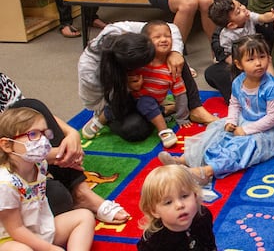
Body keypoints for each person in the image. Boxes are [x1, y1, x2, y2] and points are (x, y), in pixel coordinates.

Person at [0, 72, 131, 224]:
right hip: (7, 169)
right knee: (59, 198)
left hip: (20, 159)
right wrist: (51, 155)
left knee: (32, 105)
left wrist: (71, 133)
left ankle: (81, 193)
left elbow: (27, 117)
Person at [159, 35, 274, 185]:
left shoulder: (272, 88)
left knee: (240, 147)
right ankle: (184, 160)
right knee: (216, 135)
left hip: (267, 130)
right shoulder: (238, 81)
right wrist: (231, 120)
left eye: (262, 57)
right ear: (239, 64)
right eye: (251, 59)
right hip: (243, 121)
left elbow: (273, 118)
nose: (258, 63)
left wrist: (246, 130)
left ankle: (207, 171)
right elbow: (235, 104)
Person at [78, 21, 217, 142]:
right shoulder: (89, 71)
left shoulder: (122, 30)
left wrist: (175, 52)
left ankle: (194, 107)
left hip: (146, 98)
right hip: (118, 101)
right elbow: (94, 104)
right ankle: (161, 111)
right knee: (135, 129)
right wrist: (126, 87)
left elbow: (169, 28)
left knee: (173, 57)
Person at [0, 107, 95, 250]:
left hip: (41, 229)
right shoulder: (5, 183)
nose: (43, 140)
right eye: (33, 134)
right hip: (11, 240)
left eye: (44, 133)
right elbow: (16, 229)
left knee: (85, 217)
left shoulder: (39, 165)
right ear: (7, 145)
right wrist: (50, 248)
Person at [204, 0, 274, 103]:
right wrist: (244, 65)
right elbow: (230, 57)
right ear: (232, 24)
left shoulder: (248, 17)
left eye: (240, 5)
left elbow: (262, 17)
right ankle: (241, 97)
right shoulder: (227, 37)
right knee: (225, 74)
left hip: (256, 55)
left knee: (268, 62)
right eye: (238, 11)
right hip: (240, 62)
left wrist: (272, 16)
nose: (243, 8)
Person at [132, 20, 192, 148]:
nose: (164, 39)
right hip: (130, 101)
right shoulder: (141, 62)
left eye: (167, 36)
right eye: (157, 37)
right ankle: (98, 122)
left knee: (146, 102)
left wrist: (182, 117)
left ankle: (163, 130)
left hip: (151, 105)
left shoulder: (172, 68)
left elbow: (180, 94)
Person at [137, 164, 217, 250]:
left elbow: (210, 244)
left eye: (184, 196)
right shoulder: (153, 240)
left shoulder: (203, 216)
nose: (180, 205)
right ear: (154, 211)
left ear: (195, 195)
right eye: (168, 202)